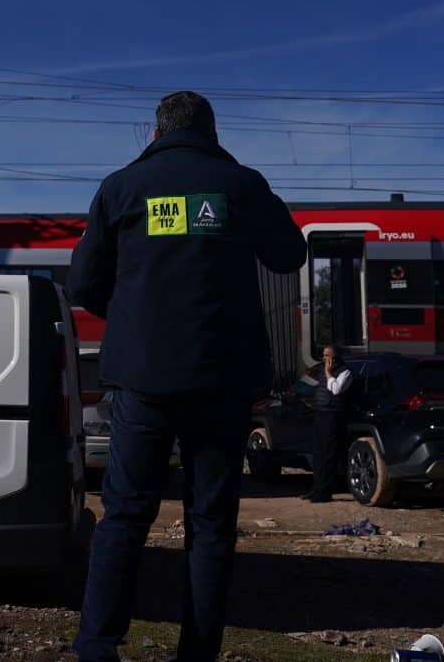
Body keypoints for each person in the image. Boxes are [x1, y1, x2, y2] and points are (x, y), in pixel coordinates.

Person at [69, 91, 306, 662]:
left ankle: (98, 648)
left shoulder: (119, 187)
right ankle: (196, 654)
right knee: (210, 524)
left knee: (124, 516)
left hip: (142, 383)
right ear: (214, 134)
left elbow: (81, 285)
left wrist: (134, 315)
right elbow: (290, 255)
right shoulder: (242, 184)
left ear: (154, 135)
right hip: (222, 385)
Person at [305, 345, 353, 503]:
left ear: (335, 357)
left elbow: (336, 390)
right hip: (320, 413)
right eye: (323, 355)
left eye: (328, 356)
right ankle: (316, 490)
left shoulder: (345, 372)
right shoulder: (320, 370)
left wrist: (328, 372)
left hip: (333, 416)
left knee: (328, 455)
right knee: (318, 455)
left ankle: (324, 492)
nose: (325, 359)